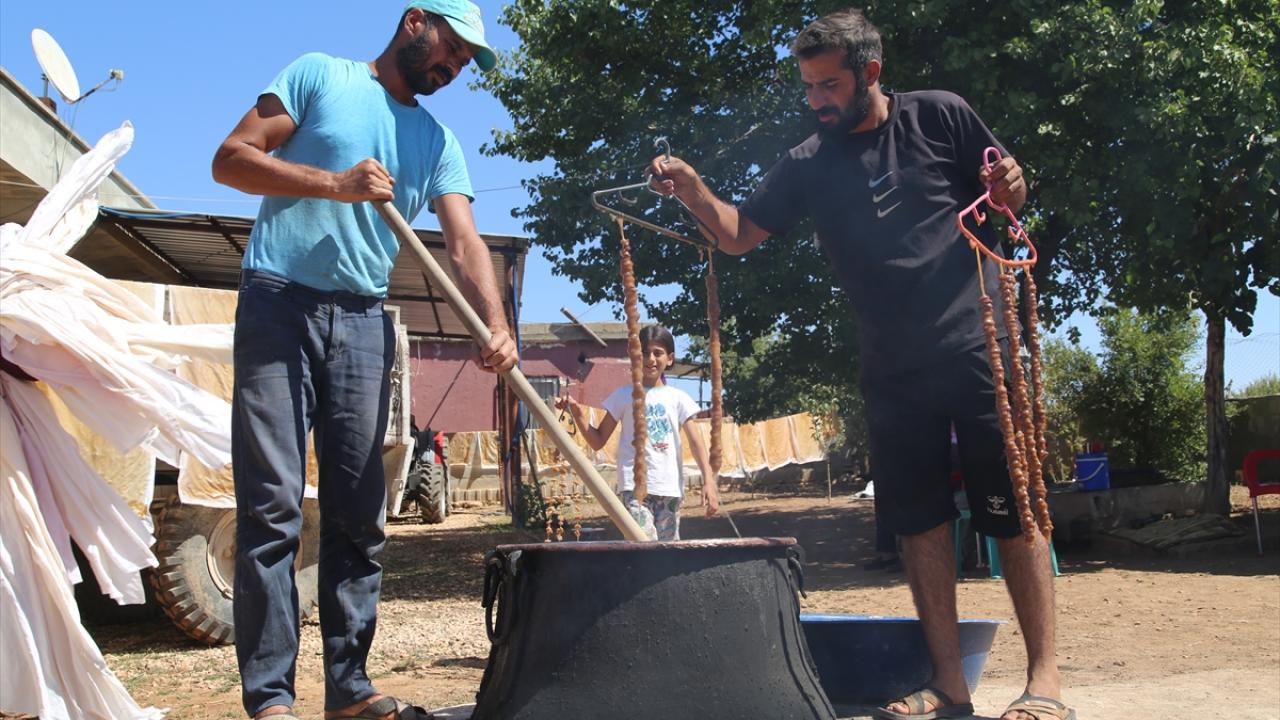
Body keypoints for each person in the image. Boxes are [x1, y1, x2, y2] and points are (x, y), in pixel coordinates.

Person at [648, 9, 1072, 720]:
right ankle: (950, 687)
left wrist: (1012, 186)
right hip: (891, 365)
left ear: (870, 72)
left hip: (978, 346)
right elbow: (738, 235)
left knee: (1015, 509)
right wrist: (693, 188)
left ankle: (1045, 680)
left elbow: (1009, 190)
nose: (816, 99)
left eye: (830, 84)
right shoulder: (808, 162)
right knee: (918, 522)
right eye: (808, 86)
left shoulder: (940, 115)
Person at [211, 3, 517, 719]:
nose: (455, 67)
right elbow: (230, 160)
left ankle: (348, 688)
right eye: (452, 48)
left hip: (362, 320)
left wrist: (496, 324)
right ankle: (271, 699)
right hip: (278, 303)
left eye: (465, 61)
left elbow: (465, 243)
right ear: (415, 22)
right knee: (274, 505)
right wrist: (336, 184)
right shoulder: (320, 76)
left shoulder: (437, 140)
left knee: (359, 513)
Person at [556, 325, 719, 540]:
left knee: (667, 551)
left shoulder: (678, 399)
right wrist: (578, 414)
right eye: (644, 352)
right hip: (634, 488)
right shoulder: (623, 396)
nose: (650, 359)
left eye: (658, 353)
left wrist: (709, 481)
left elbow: (696, 443)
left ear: (670, 359)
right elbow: (597, 440)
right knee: (643, 542)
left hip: (669, 489)